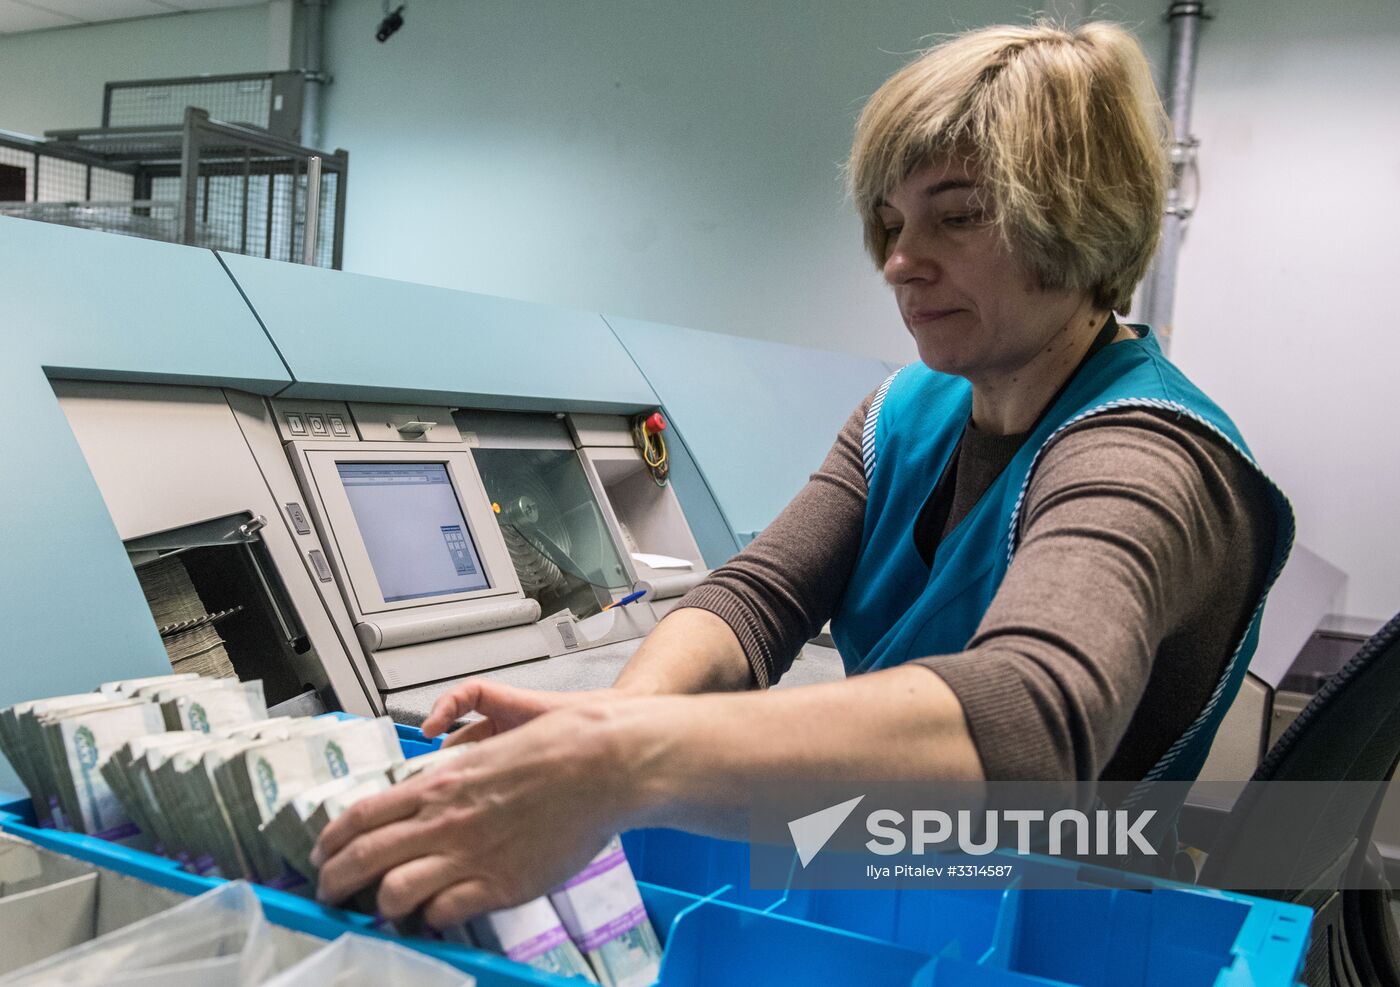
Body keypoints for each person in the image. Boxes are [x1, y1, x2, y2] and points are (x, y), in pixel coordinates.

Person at [311, 21, 1293, 927]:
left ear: (1079, 225)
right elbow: (756, 599)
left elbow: (1028, 722)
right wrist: (615, 719)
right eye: (889, 222)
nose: (900, 262)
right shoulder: (907, 410)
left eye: (955, 217)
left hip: (1050, 911)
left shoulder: (1147, 456)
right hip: (900, 862)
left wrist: (619, 763)